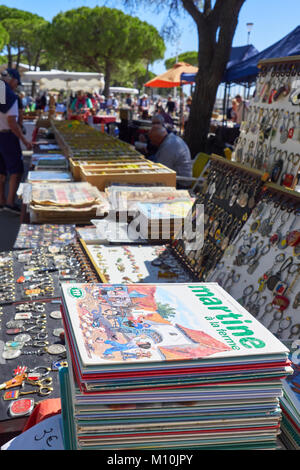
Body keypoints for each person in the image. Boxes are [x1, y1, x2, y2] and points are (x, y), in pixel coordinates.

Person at [0, 69, 32, 214]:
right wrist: (25, 140)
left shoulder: (2, 93)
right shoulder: (10, 97)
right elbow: (12, 122)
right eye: (17, 82)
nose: (16, 85)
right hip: (7, 136)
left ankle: (1, 201)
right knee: (16, 170)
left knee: (1, 171)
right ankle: (10, 202)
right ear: (12, 80)